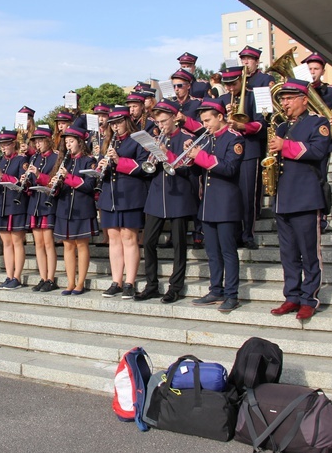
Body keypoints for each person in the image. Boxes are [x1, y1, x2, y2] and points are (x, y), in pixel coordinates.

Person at [268, 79, 331, 320]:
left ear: (304, 99)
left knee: (309, 252)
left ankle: (309, 298)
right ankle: (292, 296)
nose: (285, 103)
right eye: (282, 99)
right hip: (283, 197)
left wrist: (285, 146)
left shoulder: (318, 123)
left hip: (305, 196)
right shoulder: (281, 126)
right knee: (288, 253)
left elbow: (317, 152)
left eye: (290, 99)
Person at [136, 99, 198, 303]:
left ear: (174, 118)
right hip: (156, 196)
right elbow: (148, 170)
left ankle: (175, 287)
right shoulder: (155, 138)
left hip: (178, 196)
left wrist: (166, 152)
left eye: (164, 121)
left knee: (179, 245)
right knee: (149, 242)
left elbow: (189, 168)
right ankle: (151, 284)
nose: (160, 126)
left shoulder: (187, 139)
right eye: (158, 122)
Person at [188, 100, 244, 312]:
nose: (205, 125)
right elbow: (197, 173)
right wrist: (191, 159)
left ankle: (232, 294)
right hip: (209, 203)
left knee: (228, 251)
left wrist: (200, 157)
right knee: (212, 251)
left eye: (208, 120)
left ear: (220, 117)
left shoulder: (234, 139)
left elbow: (229, 168)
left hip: (227, 203)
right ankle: (216, 289)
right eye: (202, 121)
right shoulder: (206, 140)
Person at [97, 106, 148, 299]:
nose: (116, 126)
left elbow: (145, 167)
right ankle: (116, 281)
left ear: (127, 121)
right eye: (113, 123)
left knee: (129, 238)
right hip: (111, 196)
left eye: (119, 122)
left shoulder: (137, 141)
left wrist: (119, 161)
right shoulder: (108, 142)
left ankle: (130, 282)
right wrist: (102, 166)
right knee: (114, 240)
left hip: (131, 195)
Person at [218, 66, 266, 250]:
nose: (230, 88)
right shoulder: (222, 100)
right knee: (232, 196)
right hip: (228, 152)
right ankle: (235, 234)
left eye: (233, 84)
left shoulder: (256, 94)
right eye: (227, 85)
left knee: (247, 195)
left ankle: (248, 234)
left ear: (242, 80)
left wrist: (242, 126)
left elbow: (262, 124)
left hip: (249, 150)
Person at [302, 52, 332, 233]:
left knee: (320, 179)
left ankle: (321, 219)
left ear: (322, 71)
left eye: (316, 69)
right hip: (303, 141)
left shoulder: (330, 90)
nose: (312, 72)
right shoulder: (300, 89)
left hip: (323, 141)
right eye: (309, 69)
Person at [50, 126, 99, 295]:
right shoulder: (65, 161)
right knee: (68, 245)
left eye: (71, 141)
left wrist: (68, 178)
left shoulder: (89, 160)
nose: (68, 145)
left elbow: (89, 186)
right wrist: (55, 183)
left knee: (81, 245)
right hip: (64, 207)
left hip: (82, 208)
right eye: (66, 142)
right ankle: (70, 282)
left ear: (80, 142)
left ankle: (80, 282)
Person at [0, 130, 28, 290]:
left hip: (16, 205)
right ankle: (9, 276)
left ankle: (17, 277)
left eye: (6, 144)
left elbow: (21, 182)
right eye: (1, 145)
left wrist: (2, 175)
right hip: (2, 206)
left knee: (17, 242)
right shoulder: (0, 161)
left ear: (14, 143)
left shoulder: (22, 159)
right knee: (6, 243)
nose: (3, 148)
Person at [23, 127, 59, 292]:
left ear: (48, 140)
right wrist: (26, 181)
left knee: (48, 243)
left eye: (40, 141)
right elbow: (30, 182)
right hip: (34, 203)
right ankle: (43, 277)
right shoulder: (34, 158)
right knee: (38, 244)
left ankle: (51, 278)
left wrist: (37, 174)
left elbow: (54, 181)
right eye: (35, 142)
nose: (37, 145)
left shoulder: (57, 157)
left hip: (47, 203)